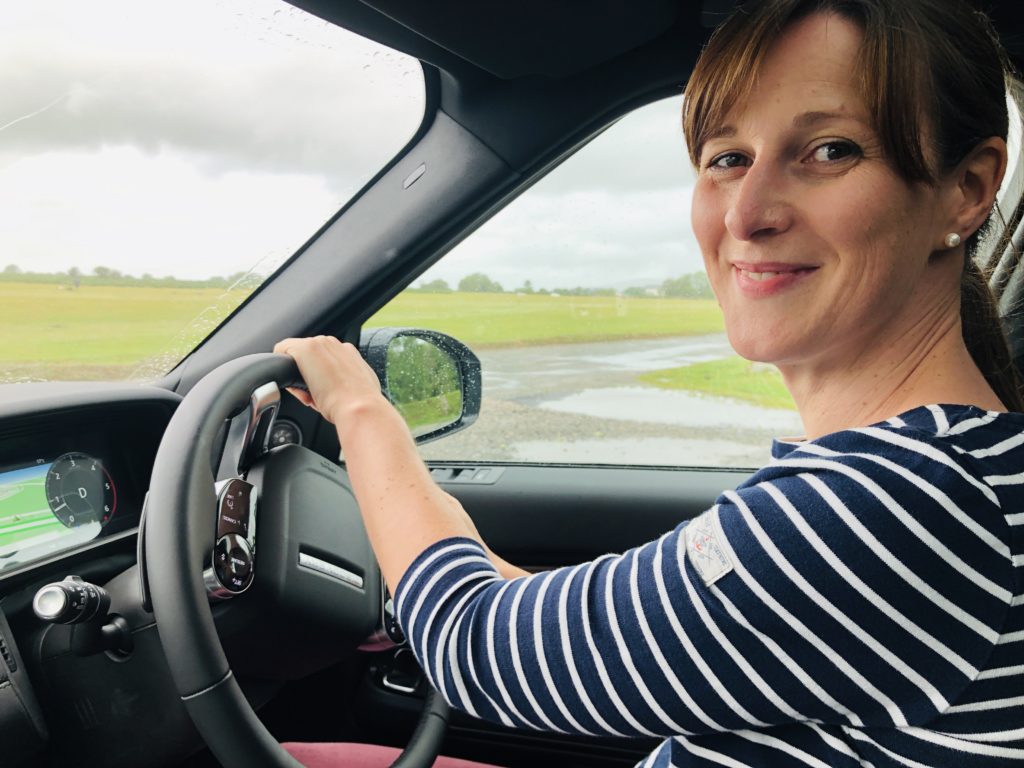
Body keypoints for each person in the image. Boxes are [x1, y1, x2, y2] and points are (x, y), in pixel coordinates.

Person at [277, 0, 1024, 765]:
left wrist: (361, 412)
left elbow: (474, 644)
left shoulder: (895, 506)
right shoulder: (947, 475)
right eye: (727, 158)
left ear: (966, 189)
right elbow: (536, 620)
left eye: (830, 150)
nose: (748, 212)